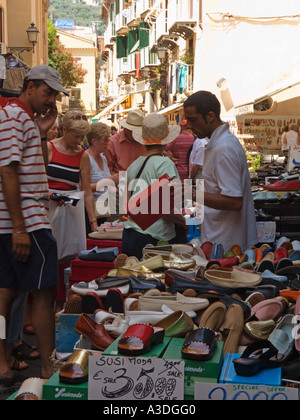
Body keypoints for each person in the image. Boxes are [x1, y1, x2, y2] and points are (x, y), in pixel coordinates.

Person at [0, 64, 68, 386]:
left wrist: (42, 131)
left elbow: (37, 164)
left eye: (54, 94)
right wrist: (19, 228)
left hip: (17, 220)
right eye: (47, 92)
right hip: (26, 219)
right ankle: (48, 366)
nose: (51, 99)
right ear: (29, 87)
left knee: (6, 294)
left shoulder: (22, 118)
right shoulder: (14, 117)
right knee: (44, 292)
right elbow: (8, 171)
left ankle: (1, 364)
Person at [184, 90, 258, 253]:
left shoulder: (223, 148)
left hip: (225, 245)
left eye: (192, 119)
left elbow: (234, 201)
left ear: (209, 116)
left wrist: (193, 194)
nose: (188, 125)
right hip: (220, 240)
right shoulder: (219, 144)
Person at [47, 110, 97, 310]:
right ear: (64, 129)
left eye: (82, 136)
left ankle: (59, 308)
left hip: (66, 215)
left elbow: (86, 192)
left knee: (62, 263)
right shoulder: (49, 148)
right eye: (76, 136)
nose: (80, 140)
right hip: (46, 211)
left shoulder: (82, 155)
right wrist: (50, 194)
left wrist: (93, 222)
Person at [122, 113, 183, 260]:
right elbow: (168, 206)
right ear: (165, 142)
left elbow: (127, 204)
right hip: (155, 237)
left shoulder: (133, 165)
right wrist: (188, 222)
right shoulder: (165, 164)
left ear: (143, 141)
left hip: (130, 233)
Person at [86, 122, 119, 232]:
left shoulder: (103, 158)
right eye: (105, 140)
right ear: (94, 141)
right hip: (93, 211)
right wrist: (108, 181)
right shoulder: (86, 158)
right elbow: (83, 188)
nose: (108, 143)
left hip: (105, 209)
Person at [104, 109, 146, 174]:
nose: (137, 133)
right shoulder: (112, 143)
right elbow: (108, 169)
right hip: (121, 180)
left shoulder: (144, 140)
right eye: (134, 131)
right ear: (126, 129)